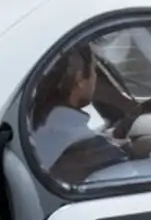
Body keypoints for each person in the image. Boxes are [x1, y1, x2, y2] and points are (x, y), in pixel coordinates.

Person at [29, 45, 129, 182]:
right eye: (94, 71)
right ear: (79, 78)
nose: (95, 79)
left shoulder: (38, 121)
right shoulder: (90, 147)